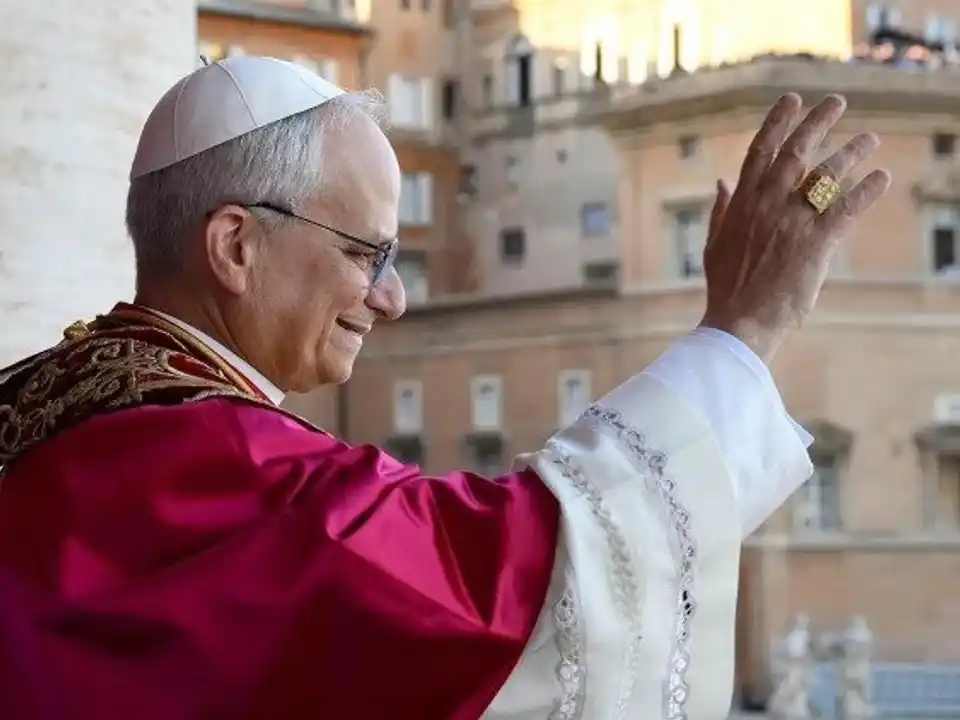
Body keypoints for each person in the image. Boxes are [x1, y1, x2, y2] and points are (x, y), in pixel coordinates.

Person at [0, 56, 890, 719]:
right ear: (235, 246)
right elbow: (510, 579)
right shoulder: (226, 466)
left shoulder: (39, 402)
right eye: (367, 254)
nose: (390, 300)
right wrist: (745, 329)